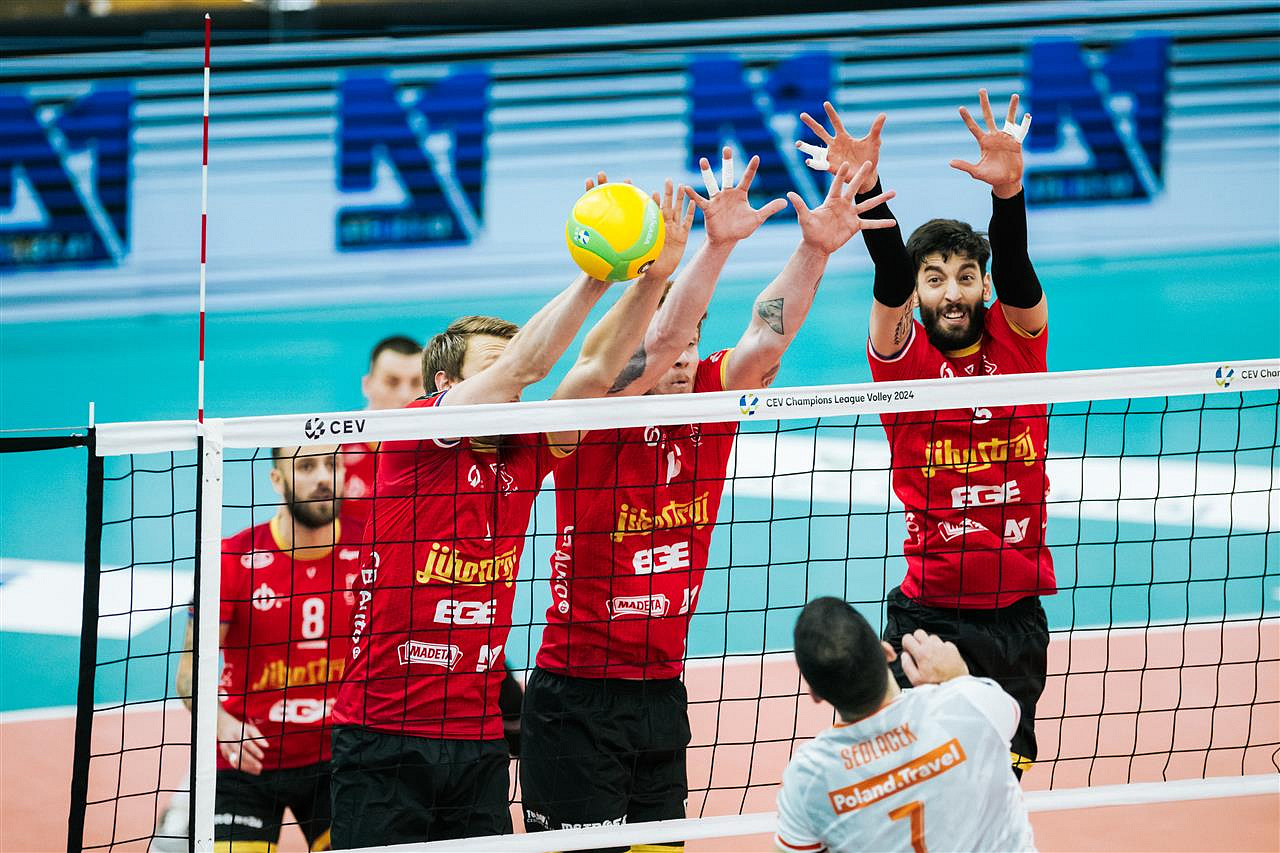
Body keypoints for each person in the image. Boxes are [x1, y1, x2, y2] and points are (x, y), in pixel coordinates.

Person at [519, 150, 897, 849]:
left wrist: (814, 251)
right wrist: (715, 248)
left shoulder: (713, 399)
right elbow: (656, 340)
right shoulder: (598, 413)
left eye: (694, 339)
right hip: (577, 692)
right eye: (670, 343)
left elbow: (768, 334)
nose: (682, 354)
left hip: (662, 692)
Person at [327, 173, 702, 848]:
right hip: (384, 736)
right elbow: (527, 366)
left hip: (477, 742)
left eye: (511, 376)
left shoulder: (527, 451)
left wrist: (649, 279)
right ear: (448, 385)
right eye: (492, 372)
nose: (516, 391)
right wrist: (595, 276)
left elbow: (595, 371)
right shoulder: (416, 435)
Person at [795, 90, 1053, 776]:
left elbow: (1017, 266)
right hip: (929, 615)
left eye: (967, 277)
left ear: (984, 288)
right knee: (906, 776)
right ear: (917, 293)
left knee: (993, 783)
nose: (952, 291)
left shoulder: (1020, 344)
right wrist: (867, 186)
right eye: (934, 279)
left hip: (1018, 622)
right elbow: (888, 274)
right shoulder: (901, 358)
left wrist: (1009, 194)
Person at [175, 445, 360, 852]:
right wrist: (221, 723)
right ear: (277, 480)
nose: (323, 478)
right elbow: (188, 673)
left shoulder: (371, 550)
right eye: (306, 466)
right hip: (245, 761)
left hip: (342, 758)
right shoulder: (230, 559)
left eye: (332, 464)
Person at [774, 597, 1035, 853]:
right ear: (887, 652)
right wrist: (957, 677)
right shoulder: (969, 706)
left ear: (815, 694)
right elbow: (1007, 717)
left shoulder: (808, 777)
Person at [340, 335, 424, 533]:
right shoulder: (335, 448)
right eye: (392, 382)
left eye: (415, 383)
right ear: (367, 385)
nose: (405, 395)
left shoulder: (444, 447)